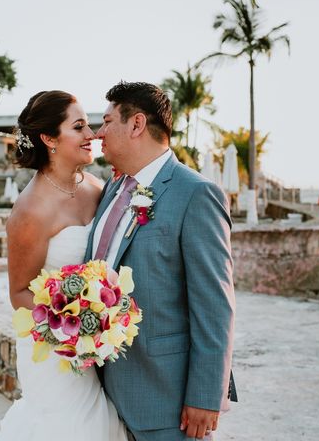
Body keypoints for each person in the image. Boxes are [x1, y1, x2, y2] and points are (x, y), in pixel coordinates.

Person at [85, 81, 236, 441]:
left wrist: (205, 395)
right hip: (103, 393)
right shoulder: (112, 189)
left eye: (107, 122)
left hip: (167, 399)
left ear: (136, 124)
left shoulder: (196, 193)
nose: (98, 132)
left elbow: (215, 305)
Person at [0, 90, 128, 440]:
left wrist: (101, 320)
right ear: (50, 138)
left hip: (93, 349)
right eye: (80, 127)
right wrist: (75, 325)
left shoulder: (97, 187)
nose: (92, 135)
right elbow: (19, 292)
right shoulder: (31, 210)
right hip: (53, 351)